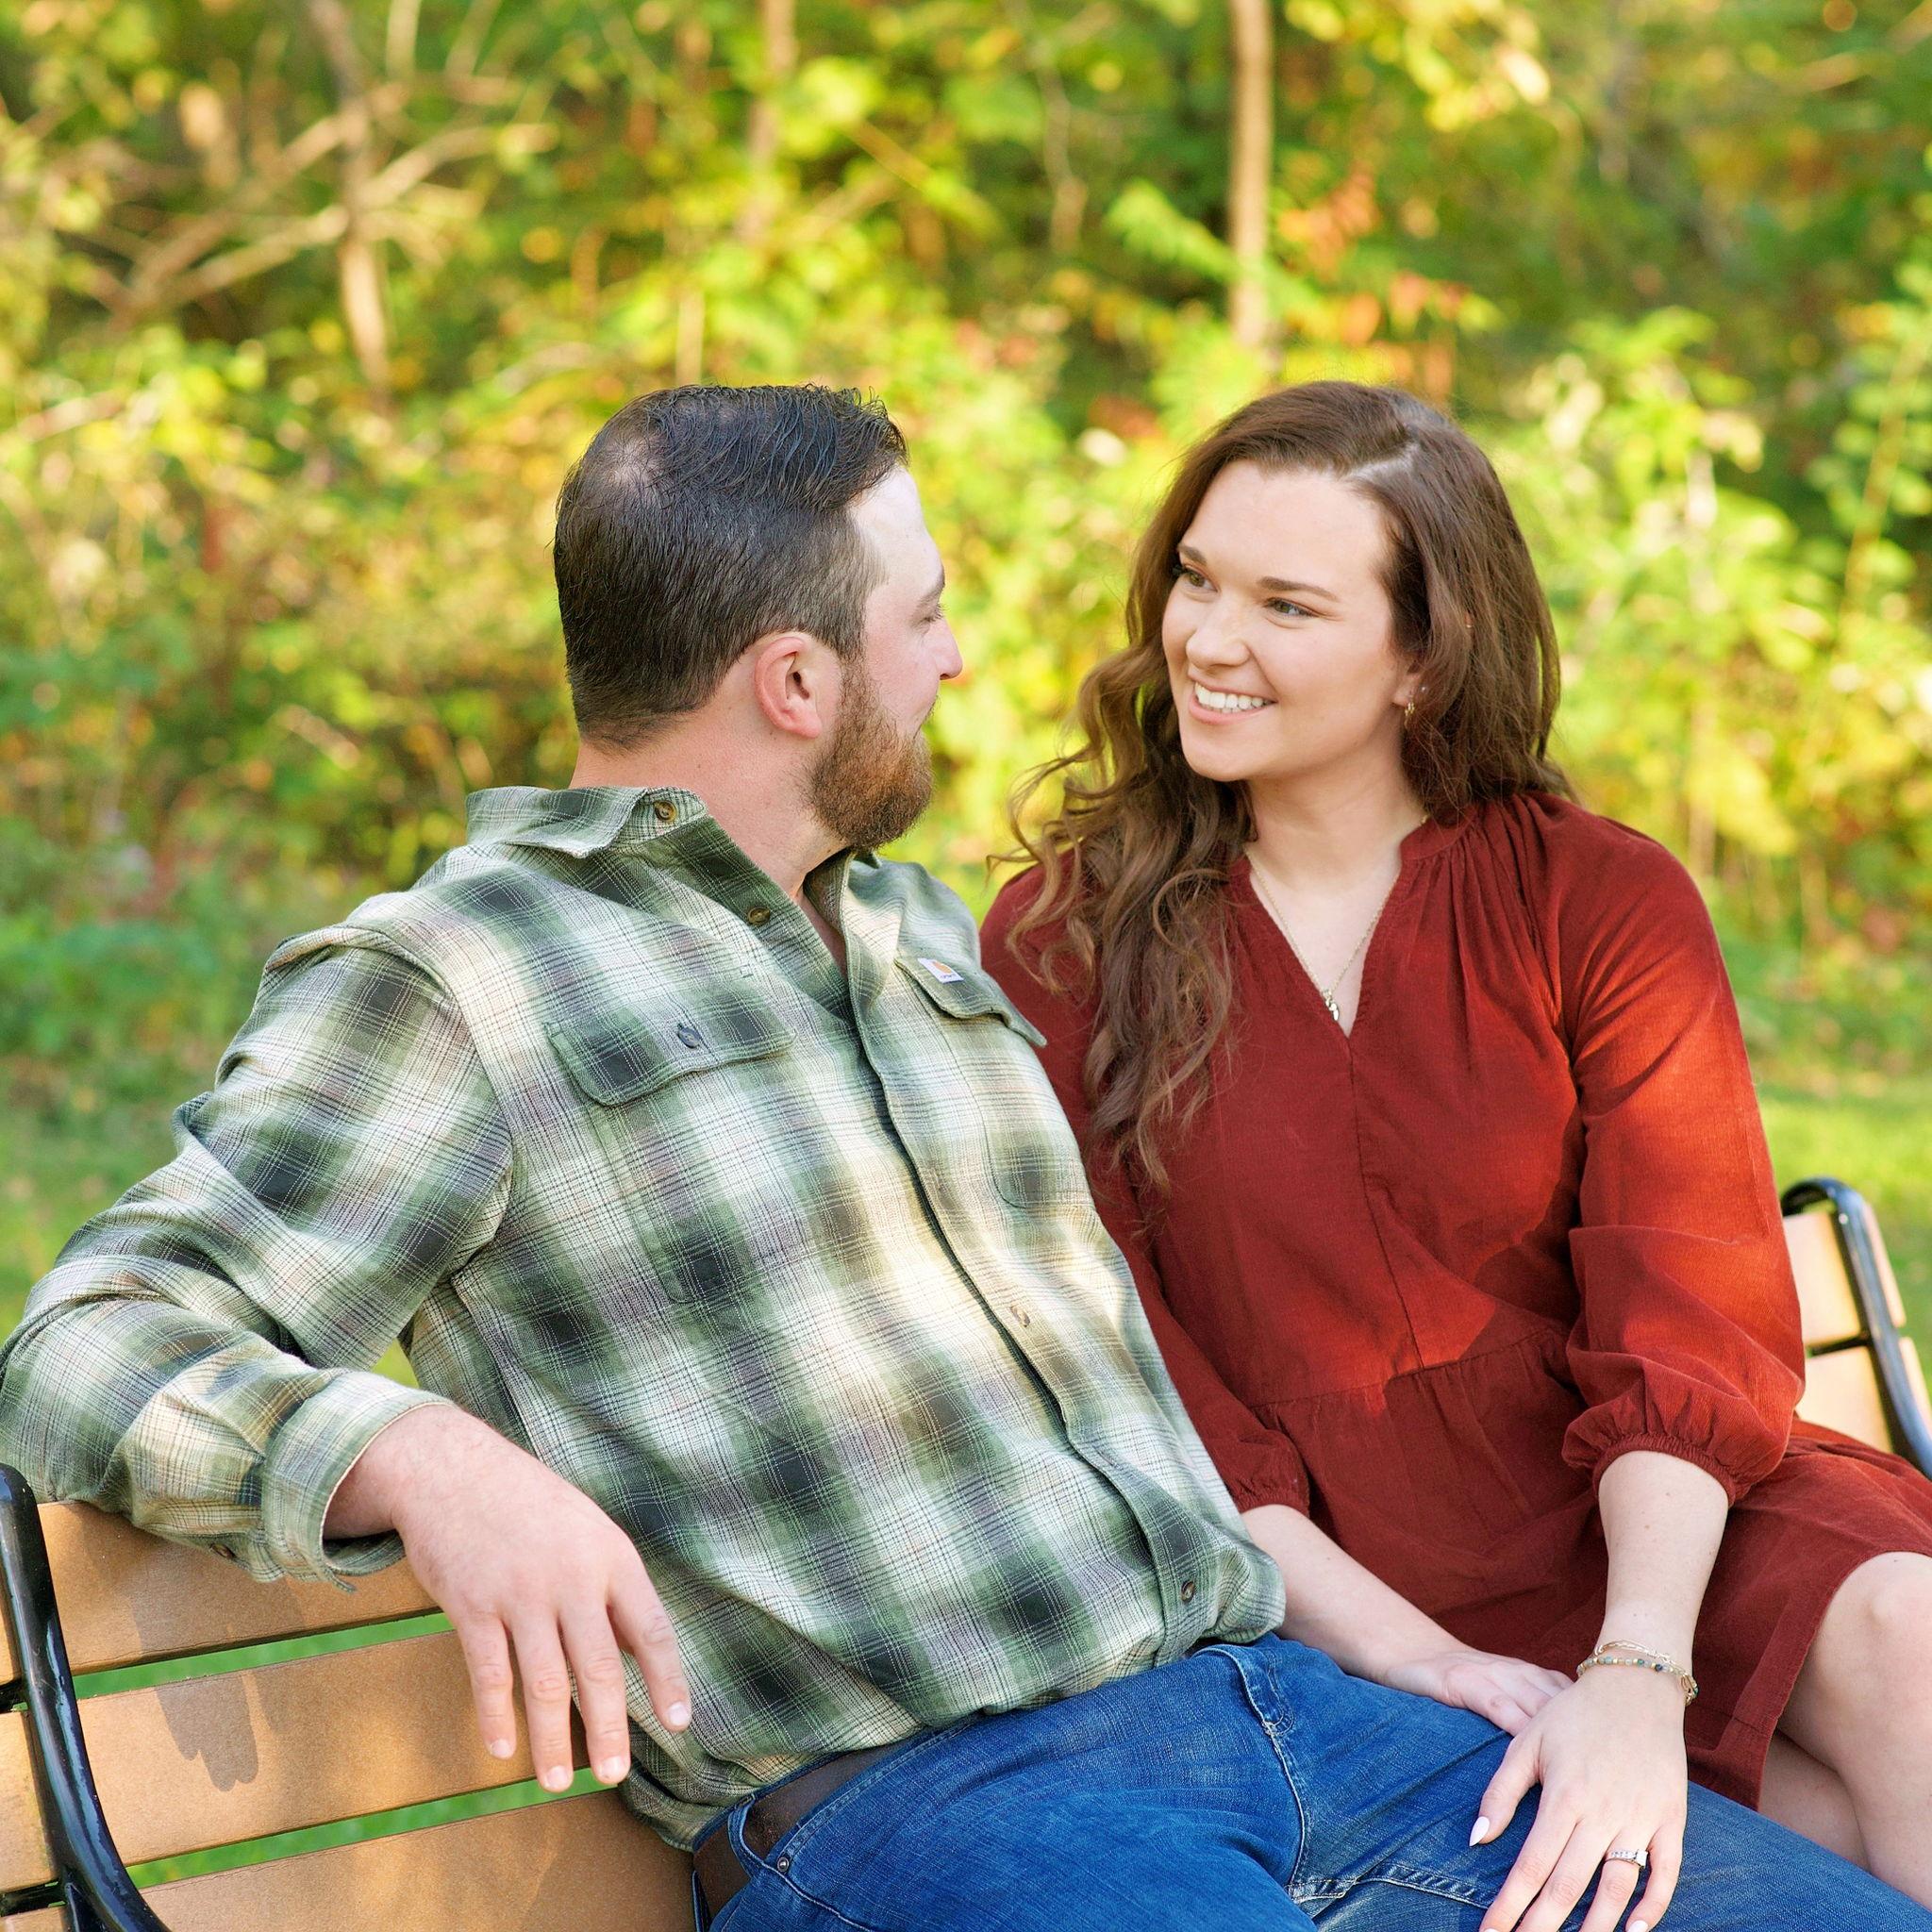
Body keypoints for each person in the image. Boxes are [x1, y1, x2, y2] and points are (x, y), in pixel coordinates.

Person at [2, 384, 1924, 1932]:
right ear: (796, 682)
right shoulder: (462, 982)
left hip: (1289, 1715)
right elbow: (91, 1336)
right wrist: (419, 1456)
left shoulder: (918, 943)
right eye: (920, 616)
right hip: (936, 1800)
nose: (960, 655)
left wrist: (1428, 1661)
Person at [981, 378, 1932, 1927]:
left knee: (1909, 1633)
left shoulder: (1597, 899)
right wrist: (1424, 1659)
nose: (1208, 639)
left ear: (1423, 659)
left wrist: (1636, 1671)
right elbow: (1136, 1376)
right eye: (1198, 581)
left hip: (1656, 1526)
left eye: (1287, 604)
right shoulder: (1064, 940)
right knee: (1779, 1836)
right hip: (1338, 1580)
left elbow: (1685, 1307)